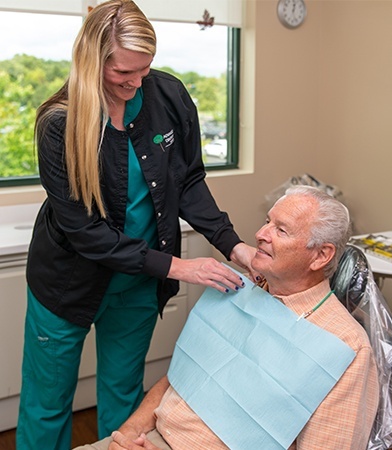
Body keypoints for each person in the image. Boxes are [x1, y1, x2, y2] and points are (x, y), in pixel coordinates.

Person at [16, 1, 259, 449]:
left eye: (143, 71)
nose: (134, 84)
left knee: (124, 399)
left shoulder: (168, 96)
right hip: (66, 284)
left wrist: (233, 245)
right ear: (93, 58)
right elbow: (85, 232)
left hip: (138, 285)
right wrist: (182, 269)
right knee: (47, 404)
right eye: (123, 73)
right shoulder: (60, 123)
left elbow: (187, 181)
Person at [75, 186, 380, 450]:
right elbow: (176, 379)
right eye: (266, 222)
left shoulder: (344, 348)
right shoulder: (239, 292)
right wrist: (125, 434)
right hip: (148, 436)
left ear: (321, 256)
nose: (260, 235)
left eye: (281, 230)